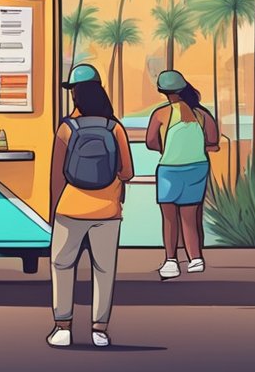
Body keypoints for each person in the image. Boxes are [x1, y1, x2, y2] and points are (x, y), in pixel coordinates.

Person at [48, 78, 134, 349]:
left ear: (76, 97)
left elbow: (57, 175)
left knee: (62, 266)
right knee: (104, 270)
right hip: (107, 211)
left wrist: (53, 210)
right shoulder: (115, 127)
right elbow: (127, 172)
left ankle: (63, 328)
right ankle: (100, 330)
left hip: (70, 209)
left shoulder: (67, 127)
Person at [146, 71, 219, 280]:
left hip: (169, 168)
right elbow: (213, 141)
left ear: (163, 91)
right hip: (197, 167)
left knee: (169, 218)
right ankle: (195, 258)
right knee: (190, 216)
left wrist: (166, 149)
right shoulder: (202, 114)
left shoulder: (160, 114)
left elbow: (150, 142)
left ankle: (171, 261)